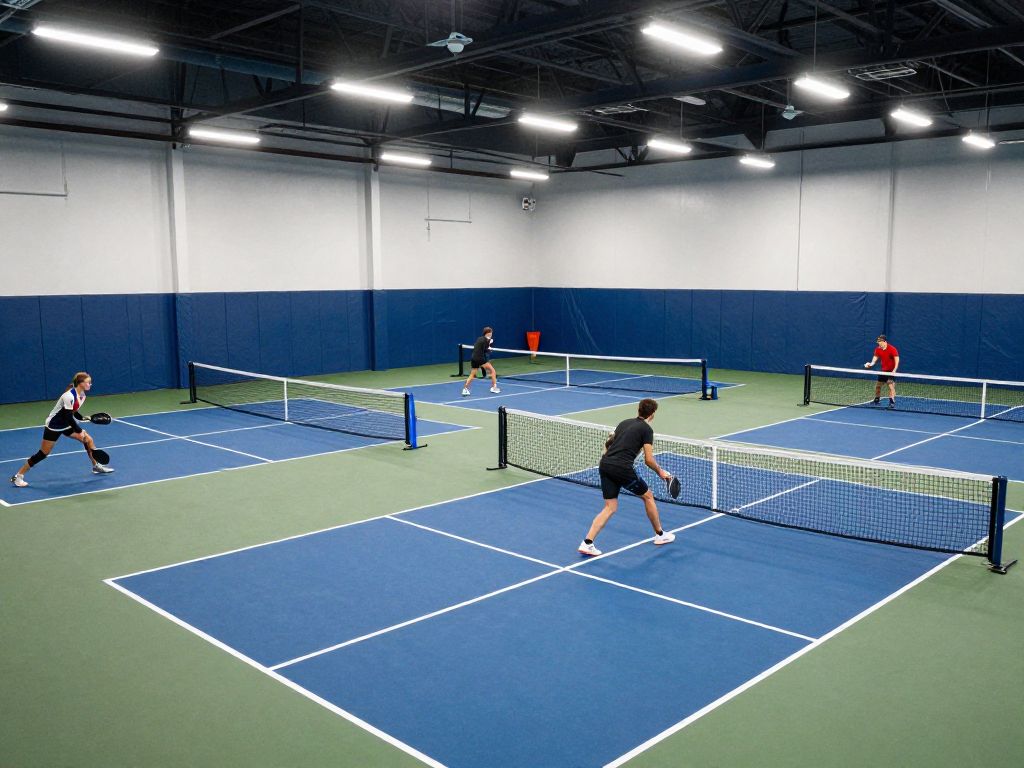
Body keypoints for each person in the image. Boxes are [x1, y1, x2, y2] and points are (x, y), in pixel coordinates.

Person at [578, 398, 675, 556]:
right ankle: (660, 535)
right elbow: (648, 460)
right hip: (621, 468)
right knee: (648, 496)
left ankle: (587, 543)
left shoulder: (624, 423)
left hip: (605, 464)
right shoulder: (647, 430)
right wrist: (661, 472)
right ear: (653, 414)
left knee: (610, 507)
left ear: (639, 410)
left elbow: (608, 445)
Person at [9, 372, 114, 488]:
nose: (90, 384)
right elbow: (68, 416)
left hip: (66, 424)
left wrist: (83, 418)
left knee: (88, 440)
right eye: (88, 382)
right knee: (43, 453)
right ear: (80, 383)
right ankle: (18, 476)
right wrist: (79, 430)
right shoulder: (68, 396)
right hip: (54, 426)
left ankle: (96, 466)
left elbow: (73, 411)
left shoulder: (82, 395)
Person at [461, 326, 500, 397]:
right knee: (493, 371)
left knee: (472, 374)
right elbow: (485, 350)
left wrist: (489, 345)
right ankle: (494, 388)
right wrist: (490, 349)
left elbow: (481, 348)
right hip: (480, 359)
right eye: (491, 333)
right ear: (487, 333)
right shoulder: (486, 340)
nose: (491, 334)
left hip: (473, 358)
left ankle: (465, 389)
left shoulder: (479, 339)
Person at [864, 334, 900, 408]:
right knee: (878, 386)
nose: (878, 343)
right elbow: (874, 360)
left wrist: (894, 370)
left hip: (891, 371)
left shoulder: (892, 349)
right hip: (883, 371)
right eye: (878, 342)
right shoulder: (878, 349)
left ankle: (891, 401)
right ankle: (877, 400)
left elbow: (897, 360)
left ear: (884, 341)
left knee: (891, 386)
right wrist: (870, 364)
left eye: (880, 341)